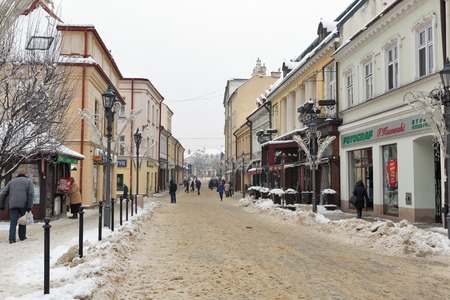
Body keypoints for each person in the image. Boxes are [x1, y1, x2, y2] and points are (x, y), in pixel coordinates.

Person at [0, 171, 34, 244]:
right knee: (23, 220)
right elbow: (30, 194)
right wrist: (29, 206)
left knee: (13, 222)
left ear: (17, 176)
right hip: (24, 204)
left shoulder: (11, 182)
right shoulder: (28, 182)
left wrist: (2, 204)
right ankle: (22, 237)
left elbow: (3, 193)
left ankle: (12, 239)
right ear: (25, 176)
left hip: (13, 204)